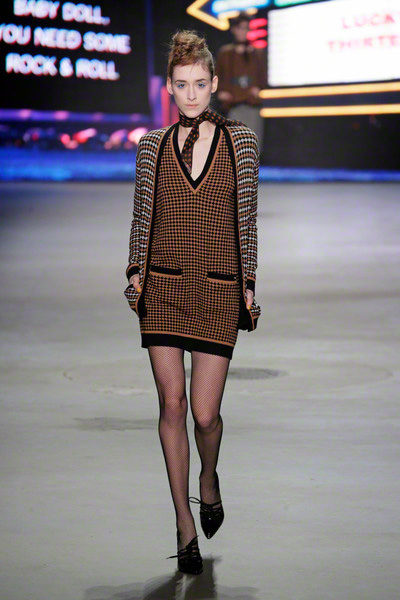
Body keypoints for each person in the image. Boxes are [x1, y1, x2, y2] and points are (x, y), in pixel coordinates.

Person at [124, 29, 261, 575]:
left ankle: (208, 477)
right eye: (181, 85)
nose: (191, 95)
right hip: (162, 287)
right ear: (169, 86)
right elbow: (142, 218)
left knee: (205, 416)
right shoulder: (151, 147)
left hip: (216, 288)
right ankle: (184, 525)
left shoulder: (240, 142)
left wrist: (248, 283)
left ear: (214, 83)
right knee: (172, 406)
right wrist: (135, 273)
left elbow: (246, 220)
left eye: (200, 84)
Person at [215, 12, 267, 149]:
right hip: (232, 106)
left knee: (252, 147)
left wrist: (258, 88)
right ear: (234, 29)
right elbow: (216, 77)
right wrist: (221, 92)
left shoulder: (256, 53)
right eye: (240, 28)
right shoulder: (225, 53)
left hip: (251, 105)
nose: (243, 31)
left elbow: (263, 79)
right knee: (233, 148)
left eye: (246, 28)